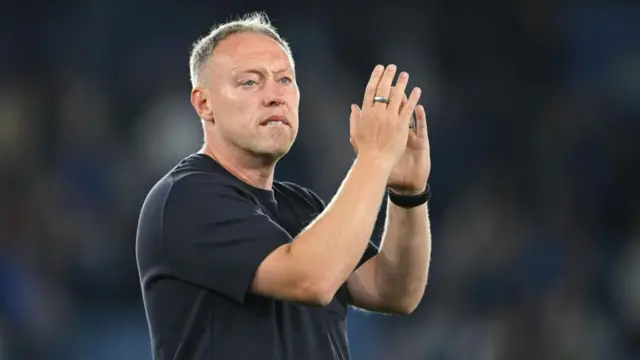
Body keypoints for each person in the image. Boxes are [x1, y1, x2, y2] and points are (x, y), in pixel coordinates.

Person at [136, 11, 432, 360]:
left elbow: (393, 292)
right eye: (250, 82)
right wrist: (374, 158)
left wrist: (407, 194)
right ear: (204, 103)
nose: (274, 95)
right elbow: (312, 279)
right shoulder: (185, 198)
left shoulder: (302, 206)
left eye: (285, 80)